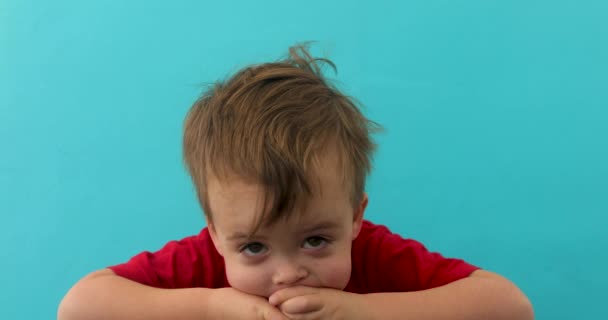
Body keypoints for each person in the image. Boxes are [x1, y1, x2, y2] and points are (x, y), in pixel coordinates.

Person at [58, 43, 534, 320]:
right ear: (216, 232)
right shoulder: (205, 262)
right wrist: (211, 306)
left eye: (314, 240)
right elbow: (78, 308)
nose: (287, 274)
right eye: (254, 248)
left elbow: (510, 307)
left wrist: (364, 313)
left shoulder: (372, 252)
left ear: (355, 217)